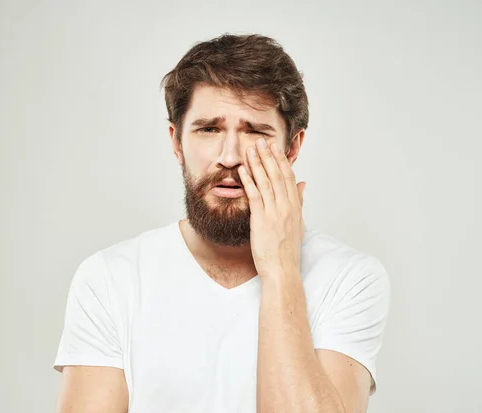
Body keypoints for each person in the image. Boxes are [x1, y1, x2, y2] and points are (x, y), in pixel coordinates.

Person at [53, 33, 390, 413]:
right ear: (177, 142)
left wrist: (280, 272)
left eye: (255, 132)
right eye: (208, 129)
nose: (229, 156)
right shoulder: (109, 279)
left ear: (291, 148)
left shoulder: (350, 278)